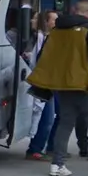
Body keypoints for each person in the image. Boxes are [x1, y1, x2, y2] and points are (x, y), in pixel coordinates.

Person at [27, 0, 88, 176]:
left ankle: (57, 164)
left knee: (65, 124)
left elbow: (47, 55)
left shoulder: (57, 30)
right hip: (87, 83)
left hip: (64, 83)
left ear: (74, 11)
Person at [23, 9, 61, 159]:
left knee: (50, 116)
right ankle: (36, 149)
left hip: (49, 82)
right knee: (47, 118)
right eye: (53, 20)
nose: (56, 23)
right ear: (46, 22)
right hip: (44, 82)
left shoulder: (47, 37)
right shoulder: (40, 38)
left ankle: (40, 147)